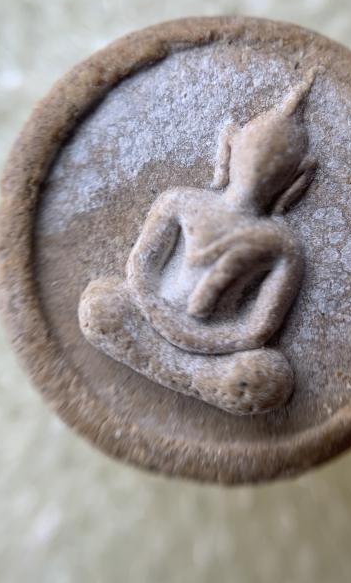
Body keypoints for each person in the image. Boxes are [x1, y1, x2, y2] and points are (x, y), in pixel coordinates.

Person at [79, 71, 317, 415]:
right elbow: (140, 268)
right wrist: (157, 312)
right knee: (101, 306)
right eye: (254, 153)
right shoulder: (180, 201)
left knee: (266, 377)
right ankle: (192, 377)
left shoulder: (283, 245)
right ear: (229, 145)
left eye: (275, 165)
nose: (259, 169)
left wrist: (201, 340)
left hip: (213, 351)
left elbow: (258, 329)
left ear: (295, 178)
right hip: (149, 316)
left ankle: (190, 374)